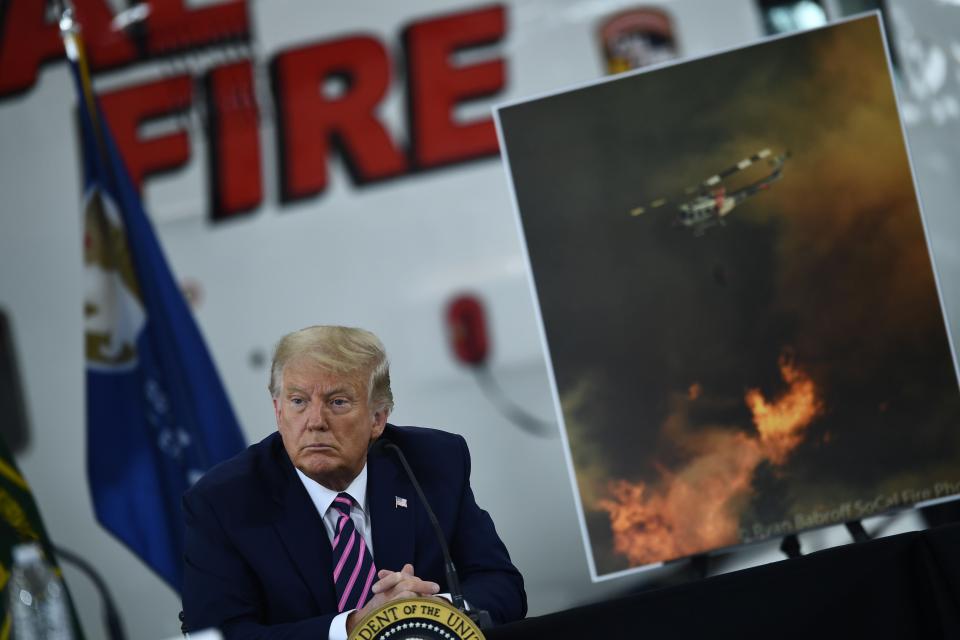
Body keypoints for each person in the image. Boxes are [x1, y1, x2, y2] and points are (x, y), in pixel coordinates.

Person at [182, 325, 526, 638]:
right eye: (298, 401)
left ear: (378, 418)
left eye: (338, 402)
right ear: (278, 410)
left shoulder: (432, 461)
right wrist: (353, 626)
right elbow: (217, 634)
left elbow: (502, 585)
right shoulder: (223, 500)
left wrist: (425, 612)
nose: (315, 421)